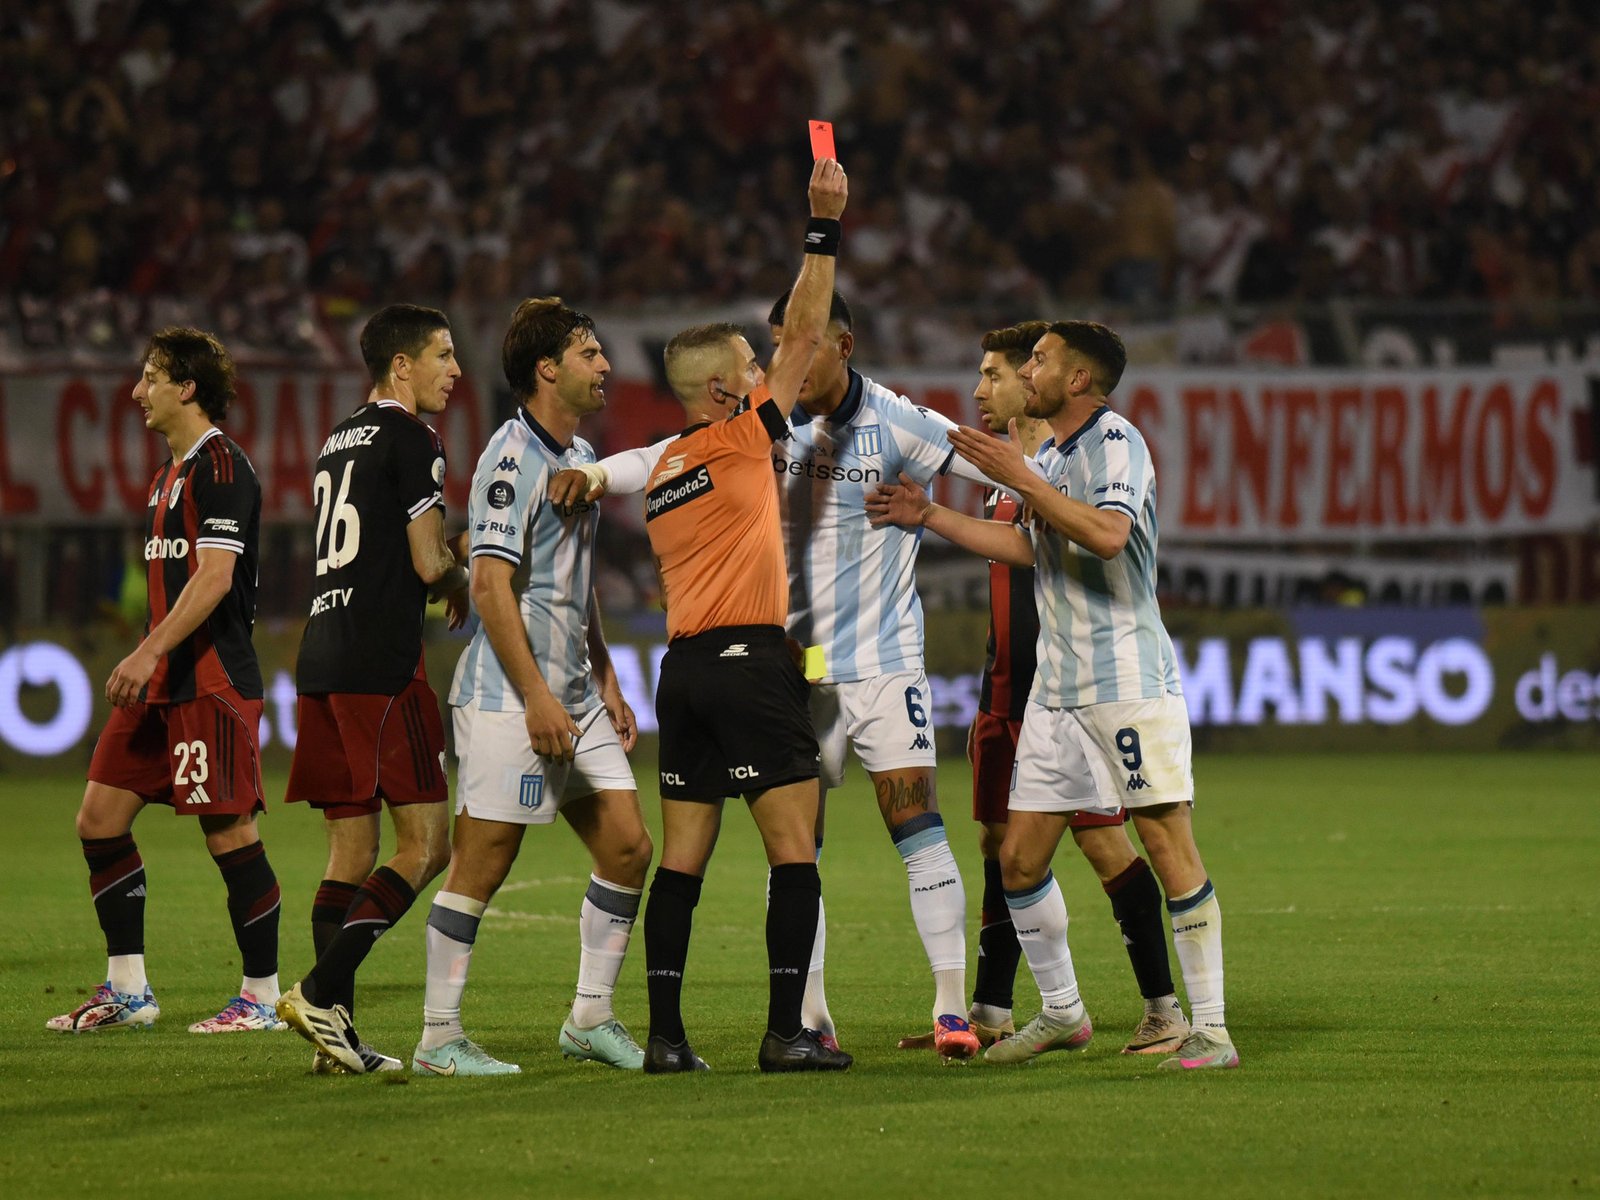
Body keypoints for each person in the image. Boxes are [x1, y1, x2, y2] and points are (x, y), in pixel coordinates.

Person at [554, 288, 1019, 1062]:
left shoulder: (898, 422)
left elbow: (983, 460)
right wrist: (597, 474)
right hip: (792, 670)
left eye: (791, 343)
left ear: (842, 345)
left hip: (882, 660)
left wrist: (1039, 472)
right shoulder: (758, 425)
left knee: (917, 827)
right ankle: (808, 1016)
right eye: (766, 348)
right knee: (799, 844)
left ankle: (949, 1009)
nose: (778, 360)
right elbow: (657, 455)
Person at [866, 321, 1238, 1071]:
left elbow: (1108, 535)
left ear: (1077, 379)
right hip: (1055, 691)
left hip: (1125, 683)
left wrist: (1024, 479)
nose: (1025, 371)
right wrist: (930, 515)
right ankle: (1063, 1009)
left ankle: (1210, 1027)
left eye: (1038, 360)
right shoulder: (1053, 458)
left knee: (1166, 846)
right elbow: (1029, 549)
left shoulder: (1114, 442)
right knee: (1018, 858)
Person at [632, 157, 852, 1073]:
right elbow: (805, 335)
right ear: (725, 390)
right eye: (751, 369)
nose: (767, 373)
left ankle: (667, 1040)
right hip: (749, 664)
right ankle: (785, 1033)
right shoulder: (736, 438)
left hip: (681, 672)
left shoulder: (663, 469)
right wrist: (822, 225)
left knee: (682, 860)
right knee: (793, 850)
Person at [411, 296, 653, 1077]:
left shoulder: (576, 454)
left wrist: (605, 675)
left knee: (628, 848)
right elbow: (488, 586)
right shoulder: (511, 459)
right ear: (547, 369)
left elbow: (572, 584)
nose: (605, 364)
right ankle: (438, 1037)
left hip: (574, 695)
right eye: (589, 352)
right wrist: (538, 698)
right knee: (481, 866)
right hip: (509, 700)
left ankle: (590, 1018)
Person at [49, 328, 284, 1036]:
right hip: (161, 684)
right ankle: (129, 991)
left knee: (229, 832)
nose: (136, 392)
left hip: (210, 679)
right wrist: (151, 658)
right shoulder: (166, 476)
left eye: (150, 377)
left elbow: (215, 578)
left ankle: (262, 997)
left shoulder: (222, 466)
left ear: (187, 387)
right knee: (98, 819)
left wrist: (147, 652)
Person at [275, 304, 468, 1074]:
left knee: (351, 852)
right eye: (443, 355)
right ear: (401, 366)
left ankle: (335, 1037)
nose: (455, 370)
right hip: (381, 666)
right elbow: (427, 562)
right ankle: (320, 993)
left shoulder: (338, 438)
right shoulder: (414, 437)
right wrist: (467, 574)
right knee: (428, 845)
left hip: (322, 655)